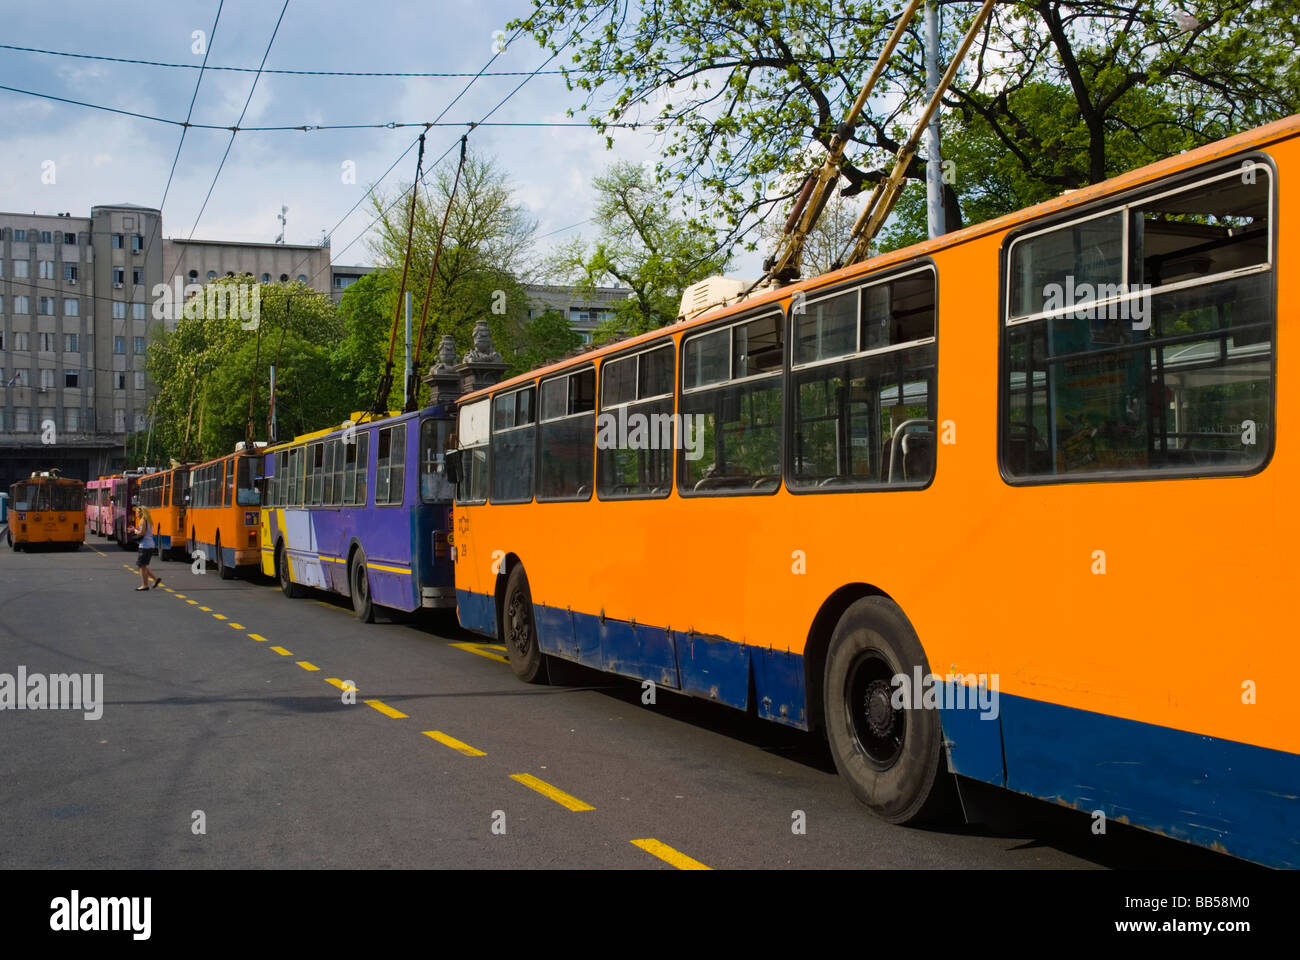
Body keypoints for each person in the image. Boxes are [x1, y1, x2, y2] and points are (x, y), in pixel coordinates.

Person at [135, 506, 162, 591]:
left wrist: (134, 531)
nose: (136, 514)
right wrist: (134, 529)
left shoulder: (143, 520)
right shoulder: (149, 520)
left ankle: (145, 585)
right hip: (149, 545)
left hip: (145, 546)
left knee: (142, 566)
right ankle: (155, 579)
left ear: (141, 513)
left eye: (137, 512)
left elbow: (142, 533)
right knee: (142, 566)